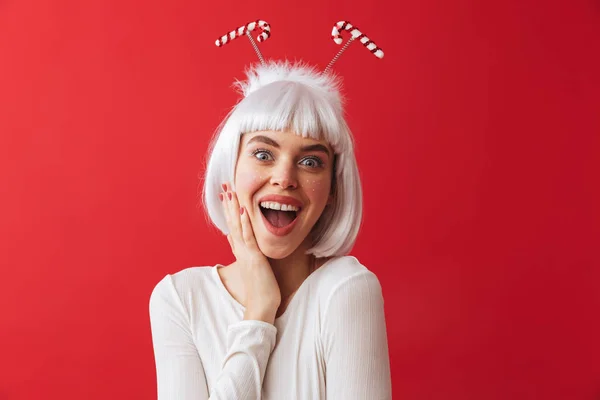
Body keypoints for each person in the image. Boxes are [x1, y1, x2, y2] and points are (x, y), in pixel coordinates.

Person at [149, 23, 391, 399]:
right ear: (230, 168)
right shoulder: (179, 298)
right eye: (263, 154)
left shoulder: (347, 289)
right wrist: (260, 311)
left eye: (311, 162)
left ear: (332, 191)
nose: (284, 178)